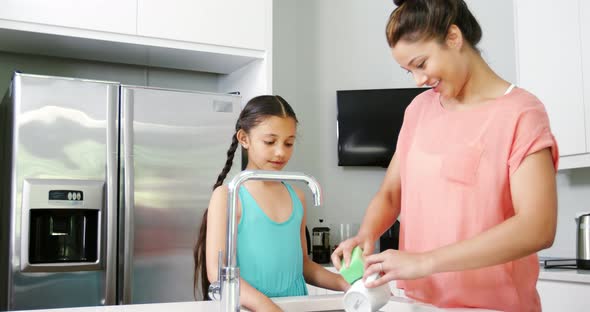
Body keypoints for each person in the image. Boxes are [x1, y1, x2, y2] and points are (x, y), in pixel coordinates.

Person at [331, 1, 558, 311]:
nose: (418, 80)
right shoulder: (418, 110)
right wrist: (366, 235)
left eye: (421, 63)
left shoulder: (522, 113)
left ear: (453, 37)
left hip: (495, 306)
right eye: (408, 70)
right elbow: (391, 193)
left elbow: (537, 226)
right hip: (418, 303)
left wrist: (425, 262)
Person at [194, 95, 349, 311]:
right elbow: (217, 273)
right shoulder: (227, 196)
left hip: (295, 306)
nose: (281, 152)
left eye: (289, 143)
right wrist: (270, 309)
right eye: (270, 142)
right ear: (244, 138)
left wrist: (345, 283)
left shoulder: (297, 196)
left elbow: (303, 265)